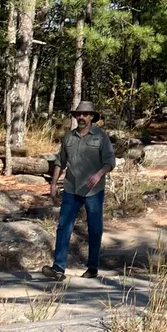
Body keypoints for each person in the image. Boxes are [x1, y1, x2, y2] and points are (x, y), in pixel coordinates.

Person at [43, 100, 116, 280]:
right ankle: (58, 268)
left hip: (93, 190)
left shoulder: (100, 137)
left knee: (94, 228)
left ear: (91, 117)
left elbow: (110, 162)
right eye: (78, 114)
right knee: (63, 227)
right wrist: (53, 184)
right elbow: (60, 161)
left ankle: (92, 268)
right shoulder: (69, 137)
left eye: (85, 114)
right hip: (71, 188)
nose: (81, 117)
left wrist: (98, 175)